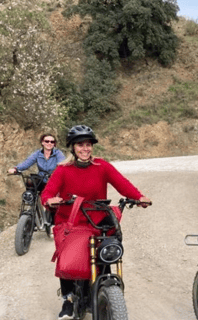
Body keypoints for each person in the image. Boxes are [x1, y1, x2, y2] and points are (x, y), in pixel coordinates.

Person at [41, 125, 151, 320]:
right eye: (80, 145)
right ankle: (67, 299)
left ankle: (104, 291)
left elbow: (122, 184)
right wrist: (49, 200)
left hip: (97, 222)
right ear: (73, 148)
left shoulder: (102, 166)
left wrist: (138, 197)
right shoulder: (62, 170)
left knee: (107, 251)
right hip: (71, 223)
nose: (85, 149)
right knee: (69, 260)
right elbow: (47, 193)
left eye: (88, 144)